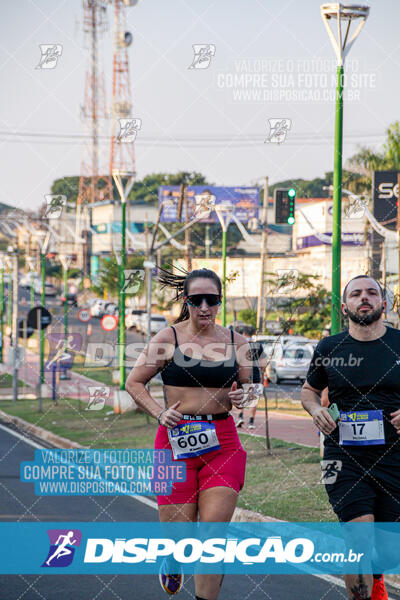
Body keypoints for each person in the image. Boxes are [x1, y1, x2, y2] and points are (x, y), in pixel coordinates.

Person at [126, 267, 253, 600]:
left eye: (212, 300)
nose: (204, 307)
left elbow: (252, 390)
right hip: (175, 443)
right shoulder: (168, 338)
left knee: (213, 537)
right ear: (186, 300)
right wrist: (159, 412)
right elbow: (134, 382)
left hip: (222, 443)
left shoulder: (236, 342)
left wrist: (243, 398)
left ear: (220, 301)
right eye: (197, 300)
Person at [301, 275, 400, 600]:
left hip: (394, 458)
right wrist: (315, 409)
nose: (364, 297)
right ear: (345, 307)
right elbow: (309, 392)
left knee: (389, 551)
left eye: (372, 292)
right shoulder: (330, 348)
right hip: (344, 457)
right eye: (356, 294)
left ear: (384, 304)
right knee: (358, 537)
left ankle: (377, 574)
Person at [236, 335, 267, 430]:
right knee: (254, 399)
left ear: (244, 334)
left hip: (243, 375)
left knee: (243, 396)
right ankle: (251, 422)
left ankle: (240, 416)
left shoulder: (240, 345)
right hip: (256, 375)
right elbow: (263, 365)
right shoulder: (259, 346)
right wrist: (262, 377)